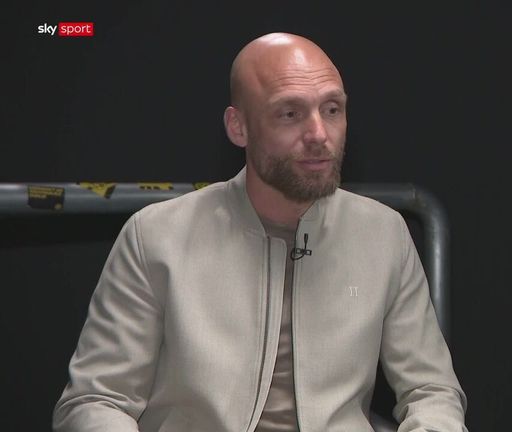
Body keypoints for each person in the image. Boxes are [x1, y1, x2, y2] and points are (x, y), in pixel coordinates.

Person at [53, 32, 467, 431]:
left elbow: (432, 391)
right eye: (290, 114)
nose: (319, 134)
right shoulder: (156, 237)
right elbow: (96, 400)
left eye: (332, 109)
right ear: (239, 127)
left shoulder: (384, 235)